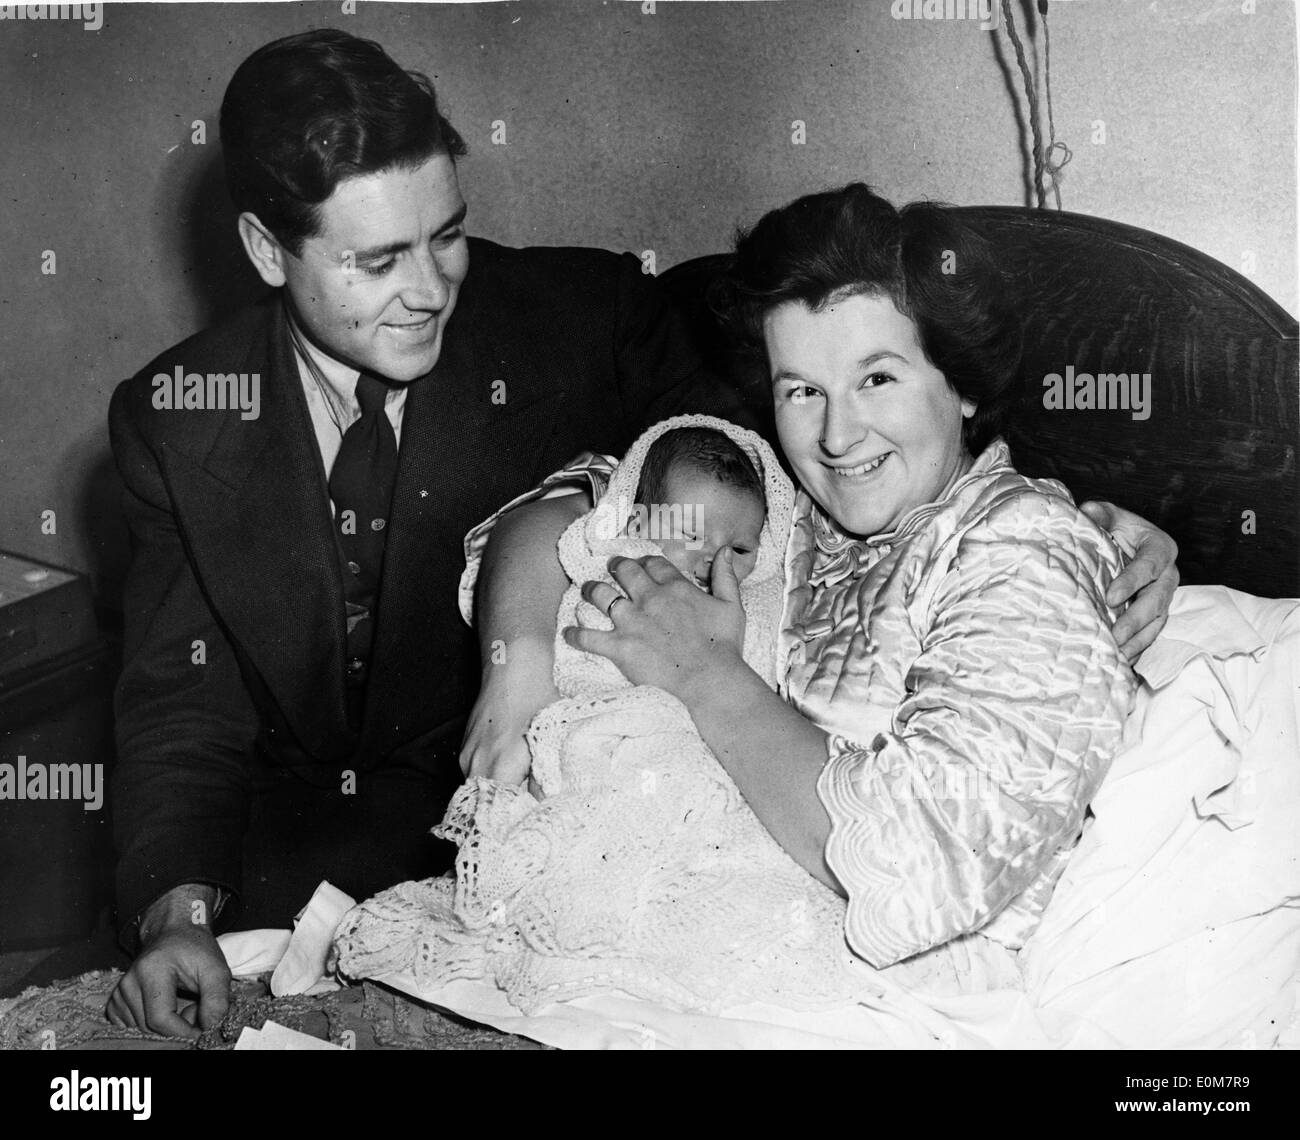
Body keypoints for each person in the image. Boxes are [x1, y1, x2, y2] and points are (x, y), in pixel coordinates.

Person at [102, 28, 749, 1036]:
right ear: (268, 251)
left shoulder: (588, 319)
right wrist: (177, 914)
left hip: (559, 841)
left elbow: (755, 472)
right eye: (376, 260)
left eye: (445, 235)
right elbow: (183, 714)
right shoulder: (174, 417)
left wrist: (568, 521)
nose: (431, 289)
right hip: (289, 861)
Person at [450, 184, 1147, 1000]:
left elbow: (919, 866)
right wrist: (519, 660)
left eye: (877, 379)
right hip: (666, 901)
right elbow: (570, 512)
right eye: (801, 390)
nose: (837, 436)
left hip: (875, 987)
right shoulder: (793, 510)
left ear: (962, 385)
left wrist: (706, 673)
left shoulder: (1024, 549)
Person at [334, 416, 874, 1013]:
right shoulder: (608, 564)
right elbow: (558, 583)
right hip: (597, 748)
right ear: (638, 518)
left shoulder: (757, 600)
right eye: (690, 531)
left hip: (707, 771)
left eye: (741, 548)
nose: (712, 559)